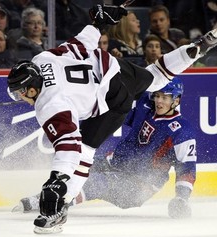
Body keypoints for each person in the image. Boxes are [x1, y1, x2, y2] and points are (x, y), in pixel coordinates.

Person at [7, 3, 217, 234]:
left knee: (85, 153)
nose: (21, 97)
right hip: (113, 68)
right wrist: (99, 23)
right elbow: (81, 43)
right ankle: (199, 46)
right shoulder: (43, 58)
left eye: (20, 93)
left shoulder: (50, 104)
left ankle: (59, 208)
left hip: (116, 110)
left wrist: (57, 178)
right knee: (155, 78)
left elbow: (69, 147)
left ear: (32, 89)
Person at [14, 77, 196, 220]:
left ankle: (54, 208)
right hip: (115, 164)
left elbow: (187, 168)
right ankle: (41, 199)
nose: (159, 101)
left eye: (165, 97)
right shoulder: (147, 108)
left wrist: (182, 198)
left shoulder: (182, 131)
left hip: (139, 186)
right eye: (157, 96)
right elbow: (117, 110)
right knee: (74, 166)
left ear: (176, 100)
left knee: (96, 182)